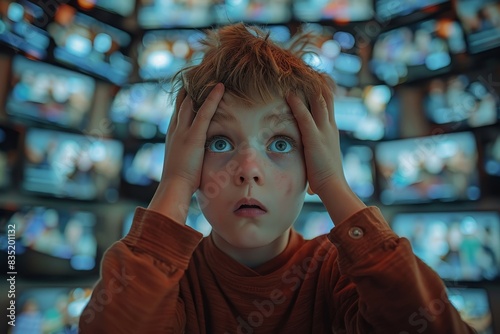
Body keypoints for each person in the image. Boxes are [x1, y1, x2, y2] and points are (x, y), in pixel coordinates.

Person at [79, 23, 474, 333]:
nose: (248, 169)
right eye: (219, 142)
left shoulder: (340, 276)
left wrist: (334, 183)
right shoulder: (169, 282)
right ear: (189, 159)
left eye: (282, 144)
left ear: (313, 166)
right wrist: (175, 183)